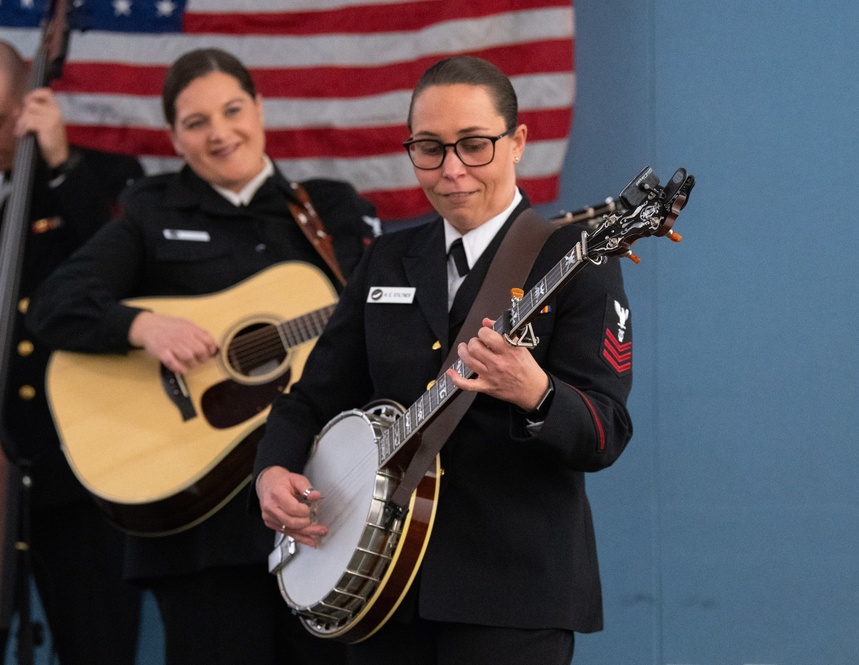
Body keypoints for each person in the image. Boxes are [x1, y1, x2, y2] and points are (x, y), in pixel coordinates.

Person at [253, 55, 635, 665]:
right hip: (380, 591)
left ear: (517, 144)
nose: (452, 169)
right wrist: (272, 471)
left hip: (514, 597)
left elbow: (606, 431)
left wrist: (536, 393)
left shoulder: (576, 259)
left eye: (474, 145)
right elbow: (312, 399)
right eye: (429, 148)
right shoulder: (387, 259)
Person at [27, 48, 377, 665]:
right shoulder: (149, 210)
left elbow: (379, 317)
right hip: (202, 531)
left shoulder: (329, 208)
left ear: (260, 108)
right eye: (196, 122)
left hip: (319, 507)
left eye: (233, 110)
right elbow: (55, 304)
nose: (220, 133)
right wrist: (140, 325)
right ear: (174, 136)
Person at [0, 37, 144, 664]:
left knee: (97, 642)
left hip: (77, 461)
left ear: (31, 104)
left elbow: (135, 278)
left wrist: (63, 167)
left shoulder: (102, 179)